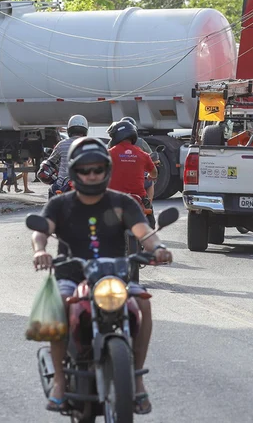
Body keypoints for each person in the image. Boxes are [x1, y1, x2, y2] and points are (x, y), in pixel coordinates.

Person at [31, 137, 172, 414]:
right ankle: (60, 381)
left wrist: (158, 248)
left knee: (143, 303)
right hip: (72, 273)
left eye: (98, 169)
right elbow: (42, 230)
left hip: (116, 274)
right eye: (85, 170)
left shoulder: (122, 203)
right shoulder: (62, 204)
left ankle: (137, 380)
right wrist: (39, 250)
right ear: (74, 172)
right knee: (58, 309)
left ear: (107, 170)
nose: (92, 175)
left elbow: (144, 232)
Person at [106, 120, 157, 207]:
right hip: (139, 198)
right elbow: (154, 173)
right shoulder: (143, 154)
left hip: (114, 198)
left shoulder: (108, 154)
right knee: (149, 215)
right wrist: (150, 176)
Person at [42, 115, 89, 197]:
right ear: (85, 130)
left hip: (62, 184)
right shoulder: (89, 144)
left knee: (51, 190)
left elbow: (50, 161)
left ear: (69, 130)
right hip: (84, 184)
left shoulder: (62, 144)